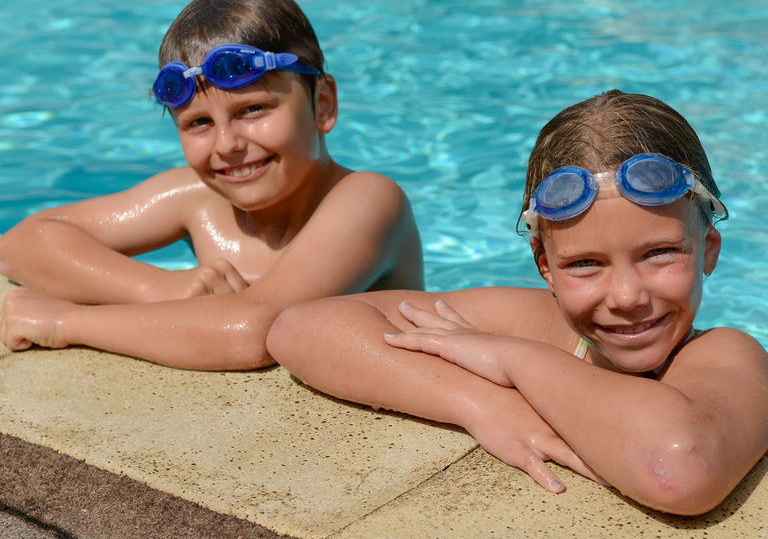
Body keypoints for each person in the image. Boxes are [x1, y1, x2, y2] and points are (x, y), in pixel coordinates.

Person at [266, 90, 768, 515]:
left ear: (708, 250)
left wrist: (512, 358)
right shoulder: (537, 321)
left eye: (659, 254)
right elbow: (299, 326)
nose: (627, 297)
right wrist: (483, 403)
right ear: (545, 267)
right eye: (585, 264)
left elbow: (680, 470)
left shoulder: (726, 355)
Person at [0, 0, 423, 370]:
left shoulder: (367, 199)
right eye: (199, 123)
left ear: (324, 104)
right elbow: (21, 244)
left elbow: (255, 332)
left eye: (253, 109)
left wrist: (69, 322)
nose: (226, 145)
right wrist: (159, 290)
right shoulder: (201, 199)